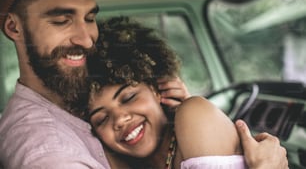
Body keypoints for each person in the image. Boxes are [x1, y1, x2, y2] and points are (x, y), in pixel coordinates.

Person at [0, 0, 287, 169]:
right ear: (13, 26)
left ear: (157, 88)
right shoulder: (49, 150)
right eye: (61, 20)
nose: (87, 39)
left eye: (89, 17)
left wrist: (186, 117)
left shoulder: (67, 96)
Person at [86, 17, 288, 169]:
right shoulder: (110, 160)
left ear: (158, 89)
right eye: (101, 119)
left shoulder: (194, 114)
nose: (120, 119)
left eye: (129, 97)